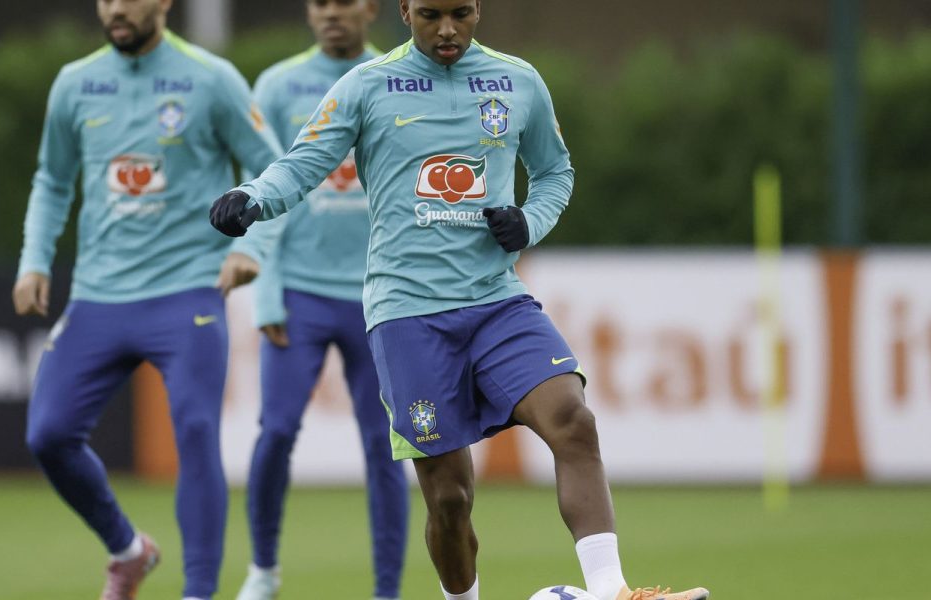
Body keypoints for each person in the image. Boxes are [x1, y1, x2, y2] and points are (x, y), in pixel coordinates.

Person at [209, 1, 711, 599]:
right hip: (407, 313)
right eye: (430, 14)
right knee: (449, 497)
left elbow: (555, 172)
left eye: (461, 13)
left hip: (497, 301)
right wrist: (253, 198)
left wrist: (529, 221)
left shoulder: (517, 80)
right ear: (404, 10)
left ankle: (611, 592)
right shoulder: (367, 85)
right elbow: (303, 163)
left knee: (574, 421)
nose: (447, 29)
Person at [12, 0, 283, 598]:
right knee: (48, 435)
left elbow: (274, 166)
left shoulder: (211, 78)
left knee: (195, 430)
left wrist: (252, 246)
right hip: (98, 295)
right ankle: (128, 551)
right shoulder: (75, 82)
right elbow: (52, 180)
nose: (115, 8)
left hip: (188, 291)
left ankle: (198, 592)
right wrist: (34, 260)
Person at [230, 2, 409, 600]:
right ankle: (263, 571)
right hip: (299, 294)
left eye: (344, 1)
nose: (331, 13)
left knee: (386, 448)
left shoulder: (398, 77)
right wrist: (266, 293)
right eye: (320, 2)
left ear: (370, 9)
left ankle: (387, 590)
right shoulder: (278, 85)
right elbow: (261, 185)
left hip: (379, 295)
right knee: (276, 431)